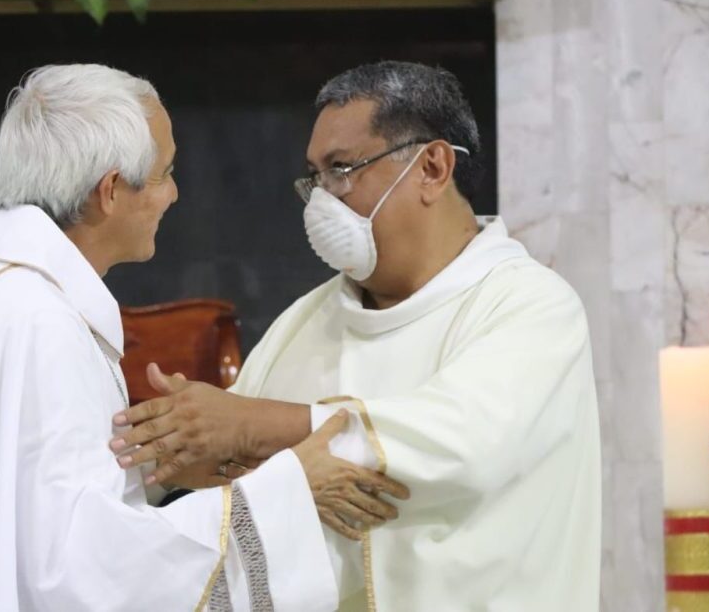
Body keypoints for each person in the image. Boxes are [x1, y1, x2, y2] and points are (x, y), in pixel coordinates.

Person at [0, 63, 408, 612]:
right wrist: (287, 492)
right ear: (110, 191)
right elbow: (77, 575)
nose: (174, 194)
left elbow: (13, 516)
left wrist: (150, 473)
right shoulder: (42, 322)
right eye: (165, 173)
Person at [111, 61, 602, 611]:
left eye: (342, 170)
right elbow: (241, 486)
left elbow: (463, 442)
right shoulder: (303, 323)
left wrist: (251, 425)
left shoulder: (528, 305)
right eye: (315, 177)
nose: (323, 200)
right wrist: (190, 451)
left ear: (433, 168)